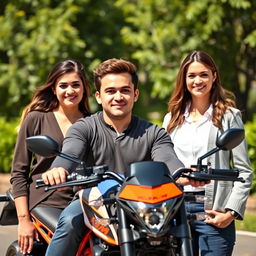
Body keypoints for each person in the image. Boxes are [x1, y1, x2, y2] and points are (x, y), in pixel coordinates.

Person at [42, 58, 207, 256]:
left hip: (143, 204)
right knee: (70, 221)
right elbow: (70, 152)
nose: (118, 97)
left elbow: (168, 158)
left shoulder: (153, 132)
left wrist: (183, 173)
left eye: (125, 90)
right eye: (110, 91)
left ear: (135, 94)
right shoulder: (84, 128)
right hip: (95, 201)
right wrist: (58, 168)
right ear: (98, 96)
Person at [163, 50, 253, 256]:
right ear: (183, 79)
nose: (198, 80)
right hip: (176, 211)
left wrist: (230, 212)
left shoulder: (230, 116)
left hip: (213, 212)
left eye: (203, 74)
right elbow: (164, 164)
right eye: (191, 75)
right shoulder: (171, 119)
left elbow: (244, 171)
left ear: (214, 76)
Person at [10, 59, 91, 254]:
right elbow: (19, 172)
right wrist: (23, 220)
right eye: (63, 85)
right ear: (54, 89)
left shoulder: (92, 121)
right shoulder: (36, 118)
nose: (70, 91)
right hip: (47, 200)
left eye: (75, 85)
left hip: (84, 200)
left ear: (84, 88)